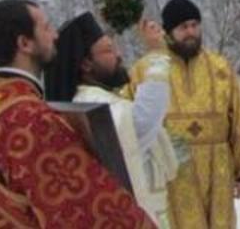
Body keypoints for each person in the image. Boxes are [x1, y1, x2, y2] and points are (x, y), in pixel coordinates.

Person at [0, 0, 154, 228]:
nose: (55, 36)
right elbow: (88, 210)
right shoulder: (31, 120)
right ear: (25, 43)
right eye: (47, 28)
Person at [126, 0, 240, 229]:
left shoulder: (219, 66)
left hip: (217, 168)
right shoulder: (147, 68)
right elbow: (129, 120)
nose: (190, 32)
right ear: (169, 31)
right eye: (183, 27)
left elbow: (238, 115)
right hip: (172, 170)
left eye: (194, 25)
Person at [44, 12, 180, 228]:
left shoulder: (100, 97)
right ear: (86, 64)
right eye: (108, 50)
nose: (118, 55)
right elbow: (140, 124)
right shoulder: (89, 102)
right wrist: (157, 57)